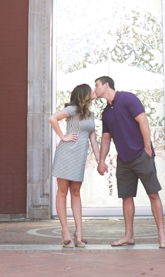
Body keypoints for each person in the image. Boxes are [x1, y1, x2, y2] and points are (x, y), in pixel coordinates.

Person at [94, 76, 165, 249]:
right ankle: (128, 236)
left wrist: (147, 148)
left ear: (106, 85)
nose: (94, 89)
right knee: (126, 197)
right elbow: (106, 139)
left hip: (141, 155)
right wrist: (101, 160)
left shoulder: (127, 98)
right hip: (124, 161)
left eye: (96, 85)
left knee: (153, 194)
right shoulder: (106, 113)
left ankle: (162, 237)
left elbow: (143, 120)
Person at [48, 83, 98, 248]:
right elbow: (52, 118)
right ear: (84, 94)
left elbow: (93, 139)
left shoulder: (91, 114)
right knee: (62, 192)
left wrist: (100, 160)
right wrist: (63, 136)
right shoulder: (73, 109)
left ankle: (79, 233)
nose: (93, 91)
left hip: (79, 156)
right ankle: (65, 232)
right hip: (66, 153)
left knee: (75, 192)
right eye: (91, 90)